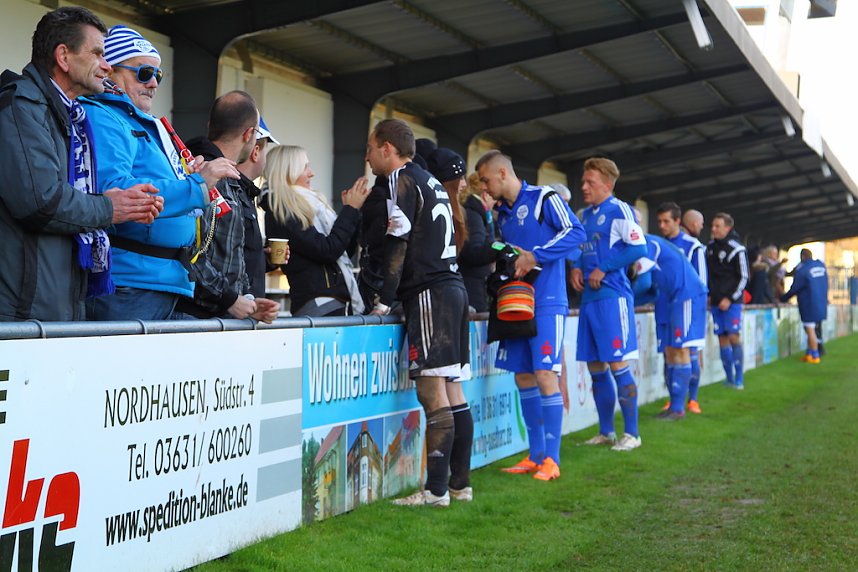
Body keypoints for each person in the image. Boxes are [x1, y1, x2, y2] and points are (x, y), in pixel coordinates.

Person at [0, 7, 163, 322]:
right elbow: (41, 201)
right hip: (23, 314)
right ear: (63, 57)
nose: (106, 65)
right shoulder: (21, 107)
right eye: (98, 54)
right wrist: (109, 208)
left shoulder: (69, 115)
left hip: (53, 307)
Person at [81, 25, 241, 321]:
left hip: (167, 281)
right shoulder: (103, 116)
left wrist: (190, 177)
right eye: (143, 73)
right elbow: (115, 189)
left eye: (158, 75)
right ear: (110, 70)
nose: (154, 83)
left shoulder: (146, 123)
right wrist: (196, 185)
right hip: (130, 284)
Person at [366, 119, 472, 506]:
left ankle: (435, 491)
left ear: (388, 149)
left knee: (431, 392)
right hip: (453, 288)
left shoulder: (402, 179)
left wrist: (384, 298)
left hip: (431, 293)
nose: (367, 158)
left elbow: (398, 241)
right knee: (452, 390)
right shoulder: (430, 180)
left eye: (371, 149)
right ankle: (459, 484)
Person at [477, 150, 585, 479]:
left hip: (548, 302)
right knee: (523, 376)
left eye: (486, 180)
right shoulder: (502, 213)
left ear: (502, 173)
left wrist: (535, 256)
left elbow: (576, 232)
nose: (484, 187)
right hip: (515, 302)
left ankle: (552, 460)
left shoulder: (544, 197)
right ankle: (535, 455)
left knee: (545, 374)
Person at [176, 91, 279, 322]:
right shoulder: (210, 175)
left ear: (210, 125)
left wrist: (247, 301)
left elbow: (230, 254)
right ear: (249, 134)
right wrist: (231, 299)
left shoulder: (226, 178)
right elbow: (189, 251)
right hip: (198, 318)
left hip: (216, 317)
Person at [572, 158, 647, 452]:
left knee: (617, 363)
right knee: (595, 365)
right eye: (583, 181)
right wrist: (576, 267)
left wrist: (603, 268)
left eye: (590, 182)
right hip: (589, 300)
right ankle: (606, 432)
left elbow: (638, 247)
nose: (584, 186)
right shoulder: (585, 215)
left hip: (613, 298)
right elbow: (579, 248)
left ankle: (632, 434)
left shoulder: (619, 210)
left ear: (607, 184)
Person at [262, 145, 368, 316]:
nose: (311, 173)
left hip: (333, 300)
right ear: (287, 171)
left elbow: (342, 251)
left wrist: (353, 214)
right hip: (319, 302)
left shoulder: (305, 205)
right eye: (305, 167)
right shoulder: (282, 210)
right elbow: (327, 250)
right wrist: (350, 211)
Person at [634, 231, 708, 420]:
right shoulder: (644, 245)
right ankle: (674, 405)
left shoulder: (647, 243)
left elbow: (643, 283)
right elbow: (650, 290)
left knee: (680, 350)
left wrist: (625, 298)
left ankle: (678, 408)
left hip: (686, 295)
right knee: (670, 350)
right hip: (670, 299)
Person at [427, 150, 495, 313]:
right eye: (461, 178)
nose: (464, 184)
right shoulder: (472, 214)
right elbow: (472, 251)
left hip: (454, 291)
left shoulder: (464, 211)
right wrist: (499, 249)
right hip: (448, 293)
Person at [656, 202, 707, 414]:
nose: (662, 226)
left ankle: (690, 400)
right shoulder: (658, 245)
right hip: (663, 305)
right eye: (659, 221)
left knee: (685, 352)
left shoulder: (692, 246)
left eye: (666, 221)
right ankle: (673, 400)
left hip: (685, 306)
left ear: (678, 221)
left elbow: (701, 282)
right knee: (668, 353)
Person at [237, 116, 281, 299]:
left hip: (240, 306)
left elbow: (238, 256)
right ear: (255, 152)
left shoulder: (244, 192)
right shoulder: (234, 192)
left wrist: (265, 260)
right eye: (265, 151)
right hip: (235, 309)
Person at [706, 212, 749, 389]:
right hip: (716, 302)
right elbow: (708, 275)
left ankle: (739, 378)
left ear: (728, 228)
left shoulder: (737, 249)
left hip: (732, 302)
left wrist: (730, 298)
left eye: (717, 226)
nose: (713, 229)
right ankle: (729, 378)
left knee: (733, 336)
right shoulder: (709, 248)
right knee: (722, 338)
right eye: (713, 226)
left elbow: (744, 277)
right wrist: (709, 295)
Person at [780, 249, 828, 363]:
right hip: (821, 302)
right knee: (813, 328)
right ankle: (809, 353)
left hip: (808, 304)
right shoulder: (820, 266)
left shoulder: (802, 269)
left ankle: (815, 355)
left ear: (802, 257)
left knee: (810, 329)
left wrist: (782, 298)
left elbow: (795, 288)